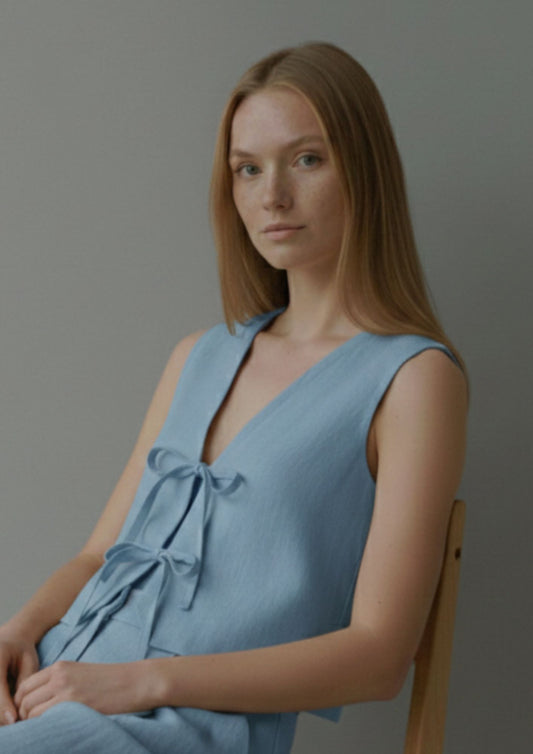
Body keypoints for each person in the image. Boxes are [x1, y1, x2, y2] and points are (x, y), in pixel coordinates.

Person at [0, 41, 468, 753]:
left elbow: (379, 657)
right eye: (248, 169)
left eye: (306, 160)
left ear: (363, 170)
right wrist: (18, 632)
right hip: (53, 685)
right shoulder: (198, 355)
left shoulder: (413, 378)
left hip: (175, 727)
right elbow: (98, 555)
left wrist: (143, 682)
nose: (271, 196)